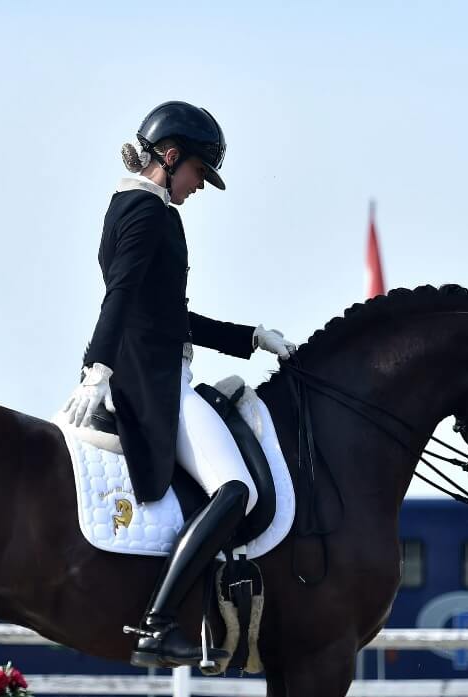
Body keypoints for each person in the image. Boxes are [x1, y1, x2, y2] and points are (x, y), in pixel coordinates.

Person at [61, 101, 298, 667]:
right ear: (170, 158)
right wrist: (98, 366)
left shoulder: (127, 206)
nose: (198, 187)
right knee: (236, 491)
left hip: (156, 366)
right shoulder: (152, 213)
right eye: (197, 173)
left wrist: (251, 336)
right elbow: (119, 296)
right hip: (154, 382)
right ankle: (158, 623)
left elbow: (164, 315)